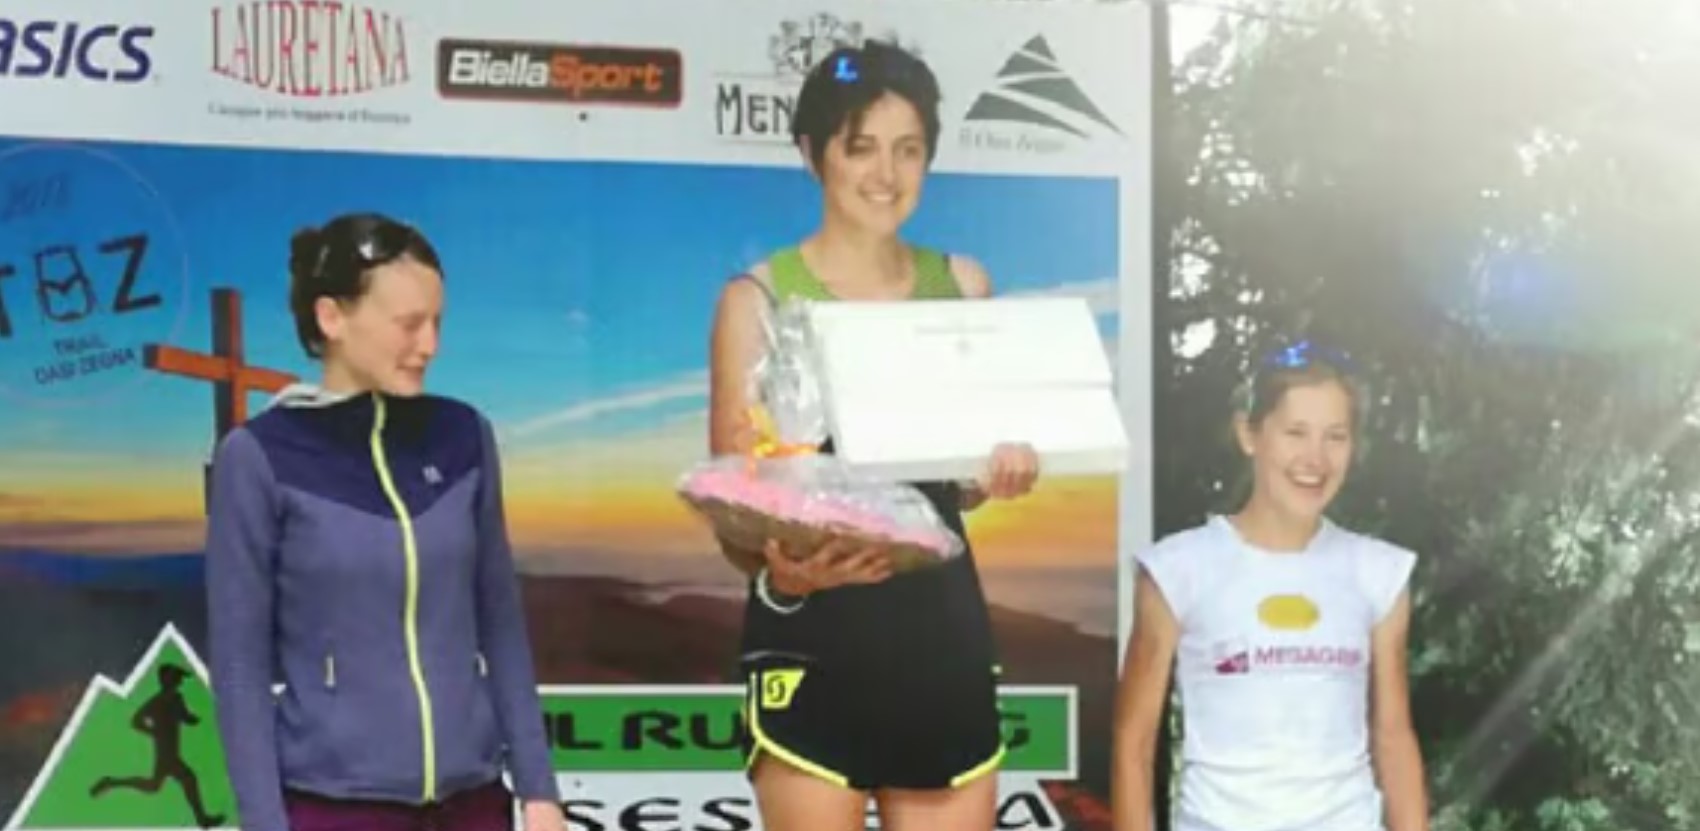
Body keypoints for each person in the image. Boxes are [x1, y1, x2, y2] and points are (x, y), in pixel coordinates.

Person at [706, 40, 1041, 831]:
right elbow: (733, 516)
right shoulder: (757, 300)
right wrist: (784, 567)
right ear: (812, 153)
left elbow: (962, 481)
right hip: (811, 635)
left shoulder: (963, 287)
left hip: (939, 638)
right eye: (860, 148)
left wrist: (1001, 471)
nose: (885, 174)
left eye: (908, 150)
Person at [204, 213, 565, 831]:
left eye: (437, 322)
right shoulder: (259, 456)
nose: (430, 345)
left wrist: (538, 789)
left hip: (474, 803)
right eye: (409, 324)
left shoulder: (464, 436)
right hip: (333, 806)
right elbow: (239, 665)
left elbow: (501, 622)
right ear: (331, 317)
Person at [1111, 342, 1430, 831]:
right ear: (1249, 434)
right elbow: (1133, 744)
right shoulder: (1177, 568)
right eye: (1295, 433)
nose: (1315, 458)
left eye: (1335, 437)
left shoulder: (1379, 572)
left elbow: (1393, 738)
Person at [89, 664, 225, 829]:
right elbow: (136, 720)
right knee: (188, 779)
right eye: (177, 677)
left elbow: (184, 716)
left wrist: (193, 719)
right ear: (168, 680)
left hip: (170, 751)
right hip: (166, 753)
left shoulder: (176, 698)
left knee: (154, 785)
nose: (180, 681)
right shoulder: (158, 700)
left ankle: (111, 782)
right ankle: (202, 820)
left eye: (180, 678)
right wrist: (154, 732)